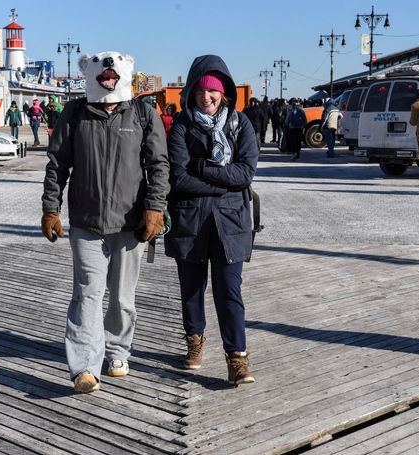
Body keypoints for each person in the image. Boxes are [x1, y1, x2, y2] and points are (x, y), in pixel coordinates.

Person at [41, 50, 169, 394]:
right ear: (89, 72)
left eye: (113, 69)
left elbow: (158, 164)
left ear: (124, 71)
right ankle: (84, 367)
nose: (108, 73)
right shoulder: (75, 113)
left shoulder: (142, 113)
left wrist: (154, 209)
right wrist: (51, 207)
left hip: (130, 224)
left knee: (122, 299)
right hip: (86, 221)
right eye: (101, 68)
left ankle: (117, 350)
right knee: (86, 294)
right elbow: (57, 164)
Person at [165, 55, 259, 386]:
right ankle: (195, 340)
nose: (207, 97)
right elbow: (177, 177)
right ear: (191, 93)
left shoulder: (240, 124)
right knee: (191, 289)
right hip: (190, 221)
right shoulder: (180, 125)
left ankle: (237, 358)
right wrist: (222, 181)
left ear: (225, 93)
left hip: (231, 223)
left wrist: (203, 168)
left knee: (229, 290)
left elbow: (246, 173)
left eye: (214, 92)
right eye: (201, 92)